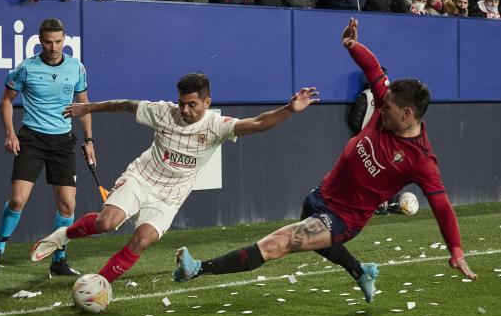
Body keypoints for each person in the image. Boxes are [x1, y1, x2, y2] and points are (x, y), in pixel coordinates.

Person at [172, 18, 478, 303]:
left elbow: (442, 206)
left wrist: (456, 249)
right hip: (322, 195)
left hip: (345, 218)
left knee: (278, 243)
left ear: (408, 114)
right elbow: (373, 70)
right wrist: (353, 46)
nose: (381, 109)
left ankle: (197, 268)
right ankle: (361, 271)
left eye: (388, 108)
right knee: (314, 236)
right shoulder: (388, 101)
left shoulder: (420, 160)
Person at [30, 74, 320, 283]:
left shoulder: (217, 126)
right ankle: (62, 236)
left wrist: (289, 110)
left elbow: (257, 124)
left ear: (207, 102)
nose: (185, 110)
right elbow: (125, 104)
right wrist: (88, 108)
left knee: (141, 240)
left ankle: (100, 284)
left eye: (192, 104)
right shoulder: (163, 112)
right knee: (107, 222)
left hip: (170, 196)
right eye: (182, 103)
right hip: (141, 177)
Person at [0, 18, 96, 276]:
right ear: (40, 41)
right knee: (18, 199)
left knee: (67, 205)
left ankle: (59, 259)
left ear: (64, 39)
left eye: (58, 41)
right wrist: (10, 133)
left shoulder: (77, 68)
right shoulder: (25, 68)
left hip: (63, 141)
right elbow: (6, 101)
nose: (53, 46)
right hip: (32, 139)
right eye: (48, 41)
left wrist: (89, 141)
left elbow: (84, 106)